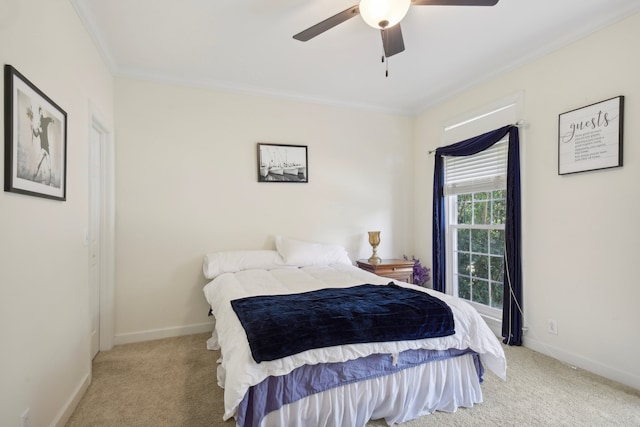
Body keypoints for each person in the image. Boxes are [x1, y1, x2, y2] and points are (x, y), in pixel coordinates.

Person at [31, 106, 54, 185]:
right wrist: (33, 129)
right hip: (42, 148)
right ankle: (33, 178)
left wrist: (52, 120)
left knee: (49, 166)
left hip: (46, 148)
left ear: (42, 112)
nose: (40, 113)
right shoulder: (39, 124)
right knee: (38, 163)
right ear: (38, 113)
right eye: (39, 112)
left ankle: (50, 181)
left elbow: (50, 119)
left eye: (41, 112)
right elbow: (36, 135)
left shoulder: (44, 120)